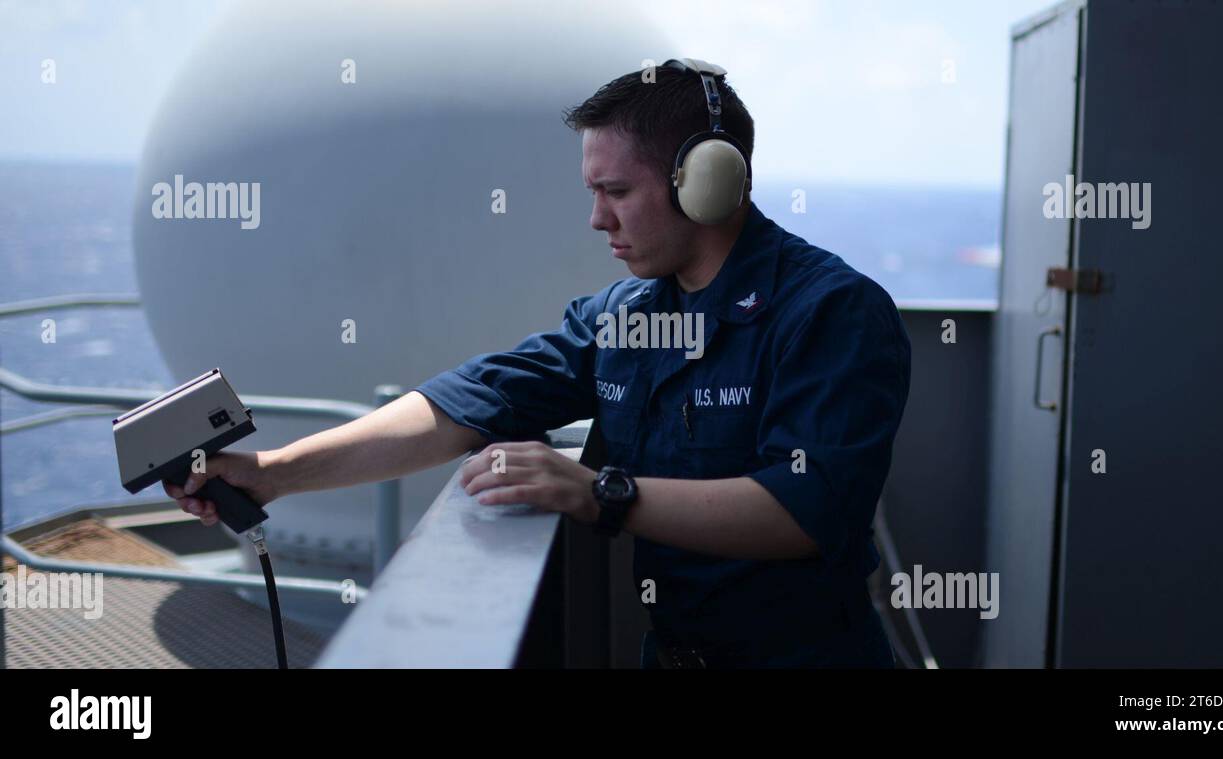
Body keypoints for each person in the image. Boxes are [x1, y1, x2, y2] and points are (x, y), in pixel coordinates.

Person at [165, 59, 911, 668]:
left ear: (706, 181)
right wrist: (274, 470)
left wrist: (599, 492)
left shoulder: (832, 312)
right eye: (594, 192)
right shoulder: (626, 315)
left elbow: (803, 512)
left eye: (616, 191)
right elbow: (467, 403)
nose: (597, 219)